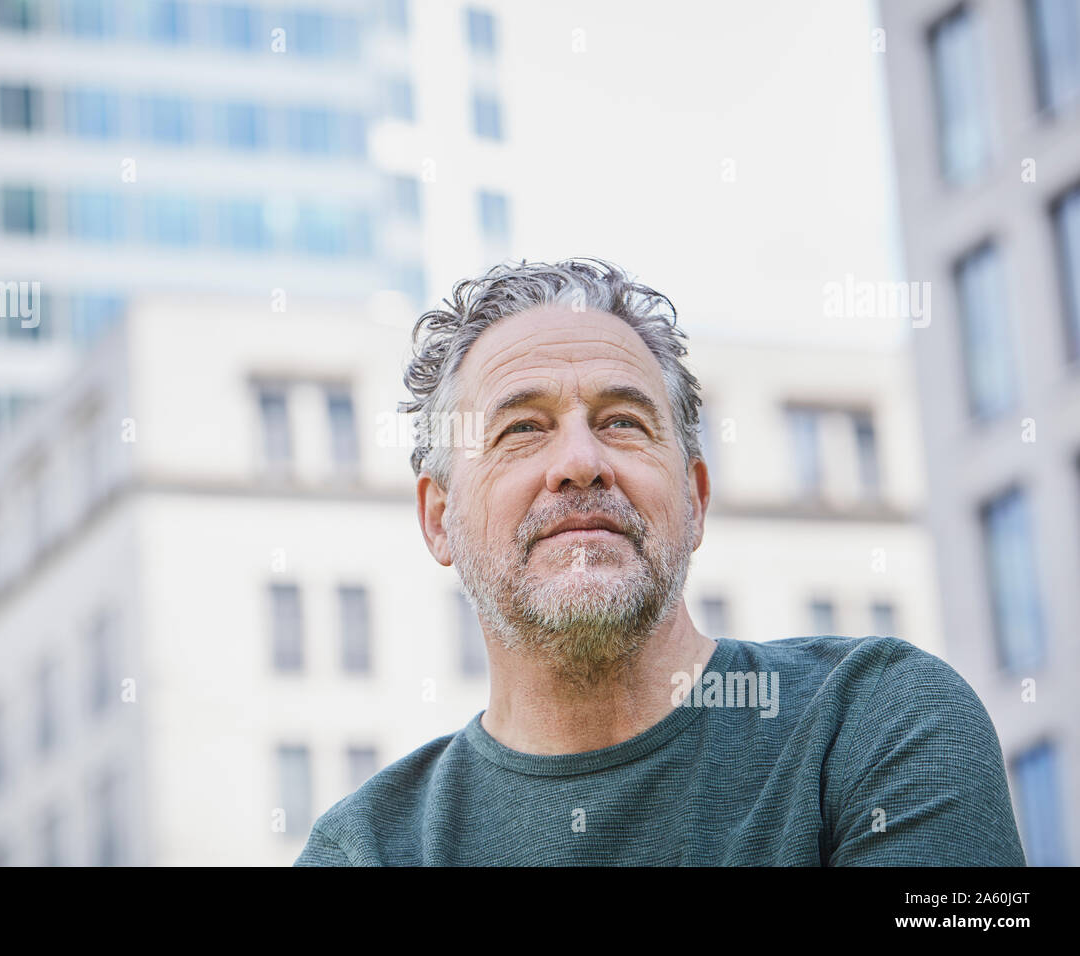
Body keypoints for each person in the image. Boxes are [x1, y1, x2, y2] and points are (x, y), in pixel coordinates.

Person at [294, 257, 1026, 866]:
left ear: (696, 498)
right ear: (437, 518)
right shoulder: (364, 851)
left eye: (623, 422)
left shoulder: (880, 719)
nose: (581, 462)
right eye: (522, 429)